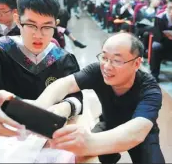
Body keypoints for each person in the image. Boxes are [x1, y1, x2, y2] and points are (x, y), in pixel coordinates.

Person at [0, 0, 83, 164]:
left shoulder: (63, 59)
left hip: (49, 145)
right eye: (31, 25)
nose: (38, 35)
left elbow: (77, 97)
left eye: (47, 27)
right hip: (2, 143)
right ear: (18, 20)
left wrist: (65, 107)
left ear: (56, 24)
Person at [35, 32, 165, 164]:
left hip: (142, 135)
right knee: (83, 159)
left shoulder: (150, 89)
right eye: (104, 57)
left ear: (137, 63)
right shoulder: (97, 71)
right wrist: (38, 108)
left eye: (117, 61)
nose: (107, 66)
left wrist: (88, 142)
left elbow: (136, 132)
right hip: (108, 124)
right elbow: (65, 84)